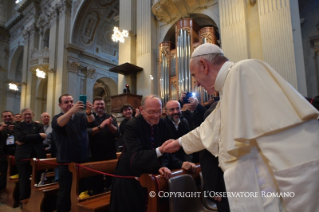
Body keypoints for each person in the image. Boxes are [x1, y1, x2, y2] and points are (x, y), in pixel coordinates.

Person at [162, 43, 319, 211]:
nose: (197, 84)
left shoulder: (244, 71)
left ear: (204, 65)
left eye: (194, 75)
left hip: (272, 186)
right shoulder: (229, 87)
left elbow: (286, 144)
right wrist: (178, 143)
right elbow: (209, 128)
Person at [110, 95, 171, 212]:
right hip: (129, 179)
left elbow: (166, 149)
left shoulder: (162, 123)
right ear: (141, 110)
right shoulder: (132, 125)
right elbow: (135, 157)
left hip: (150, 177)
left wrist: (163, 164)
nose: (156, 115)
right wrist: (160, 150)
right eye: (151, 112)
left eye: (159, 111)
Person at [52, 94, 94, 212]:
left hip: (84, 159)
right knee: (65, 192)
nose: (70, 104)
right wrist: (71, 111)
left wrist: (89, 112)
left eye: (71, 101)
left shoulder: (80, 116)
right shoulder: (57, 117)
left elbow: (91, 122)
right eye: (66, 102)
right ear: (60, 105)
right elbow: (59, 124)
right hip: (66, 162)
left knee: (84, 190)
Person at [13, 108, 47, 201]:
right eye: (25, 114)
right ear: (22, 116)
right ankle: (24, 199)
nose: (27, 116)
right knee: (23, 178)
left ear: (33, 115)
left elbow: (42, 138)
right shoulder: (17, 126)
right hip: (23, 156)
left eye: (29, 114)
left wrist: (25, 139)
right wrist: (37, 136)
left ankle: (35, 199)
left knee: (37, 178)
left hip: (37, 155)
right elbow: (20, 137)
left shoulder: (39, 125)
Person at [87, 96, 119, 194]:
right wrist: (100, 127)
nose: (100, 106)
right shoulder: (88, 117)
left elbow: (117, 133)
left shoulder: (110, 117)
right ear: (93, 106)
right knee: (96, 182)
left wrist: (109, 125)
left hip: (109, 153)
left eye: (102, 104)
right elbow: (87, 132)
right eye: (98, 104)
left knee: (111, 181)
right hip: (94, 154)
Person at [162, 100, 195, 171]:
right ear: (166, 112)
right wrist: (181, 163)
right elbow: (165, 150)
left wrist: (188, 161)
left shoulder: (184, 122)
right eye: (171, 109)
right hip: (171, 166)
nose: (176, 112)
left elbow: (188, 143)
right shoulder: (162, 125)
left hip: (185, 163)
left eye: (177, 108)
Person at [0, 111, 16, 191]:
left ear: (13, 117)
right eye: (5, 116)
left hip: (15, 155)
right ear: (2, 118)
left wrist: (14, 130)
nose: (7, 118)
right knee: (3, 175)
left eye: (9, 116)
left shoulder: (17, 126)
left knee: (14, 174)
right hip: (2, 156)